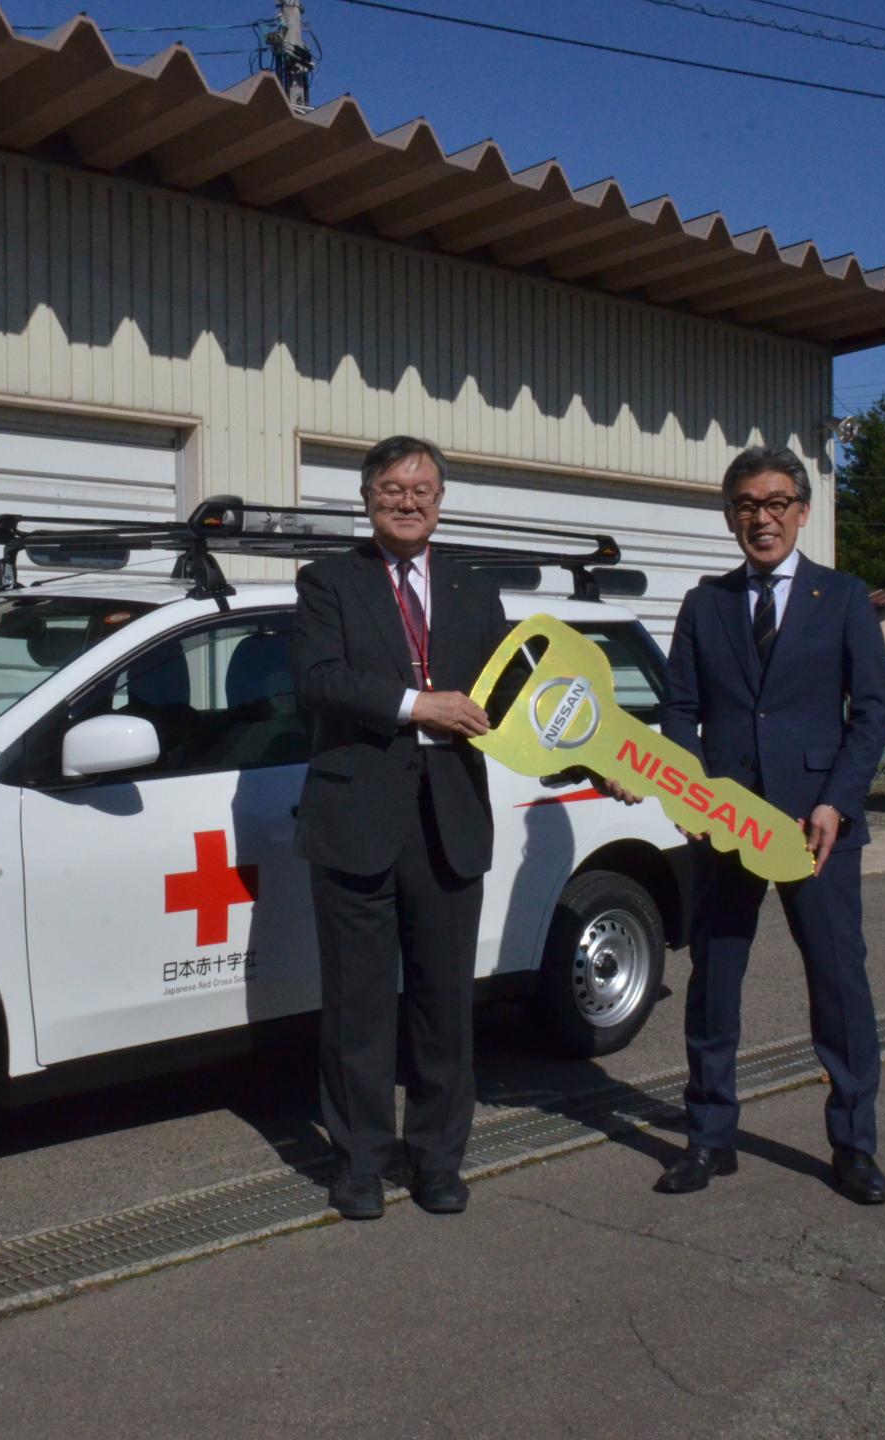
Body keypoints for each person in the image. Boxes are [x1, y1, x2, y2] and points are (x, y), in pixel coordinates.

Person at [658, 444, 885, 1204]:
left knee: (838, 982)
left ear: (802, 509)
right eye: (747, 506)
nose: (763, 518)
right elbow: (680, 710)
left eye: (777, 502)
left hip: (814, 827)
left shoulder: (845, 596)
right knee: (714, 982)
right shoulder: (705, 603)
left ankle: (854, 1144)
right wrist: (689, 794)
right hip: (726, 823)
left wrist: (837, 801)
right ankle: (708, 1138)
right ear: (730, 518)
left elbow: (873, 714)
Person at [291, 435, 504, 1221]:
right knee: (358, 1007)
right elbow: (317, 680)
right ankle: (359, 1164)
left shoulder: (475, 592)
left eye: (422, 489)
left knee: (446, 1005)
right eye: (391, 487)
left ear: (440, 502)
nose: (407, 500)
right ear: (366, 497)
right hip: (356, 817)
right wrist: (421, 705)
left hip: (449, 819)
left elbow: (511, 708)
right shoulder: (329, 582)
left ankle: (439, 1161)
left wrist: (588, 764)